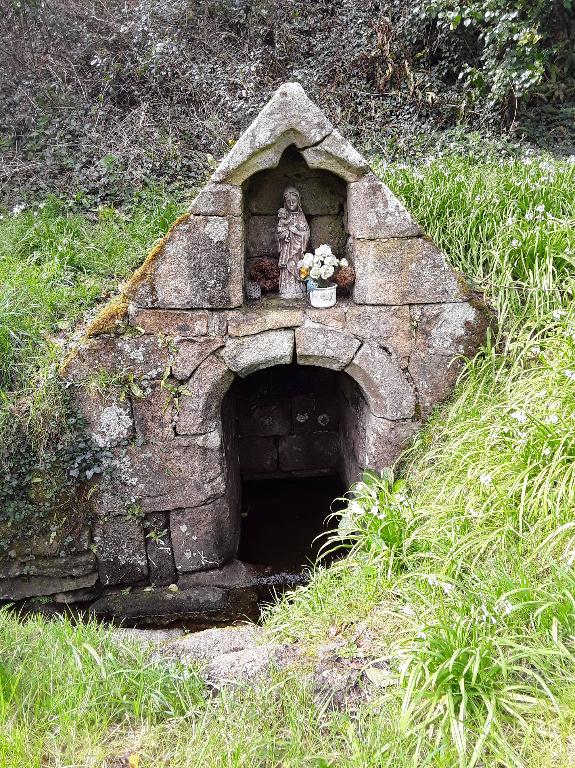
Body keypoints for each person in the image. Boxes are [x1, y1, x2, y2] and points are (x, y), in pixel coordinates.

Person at [276, 186, 309, 298]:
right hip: (286, 249)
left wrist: (297, 232)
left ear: (298, 201)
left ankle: (298, 287)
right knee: (287, 266)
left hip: (297, 251)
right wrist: (285, 235)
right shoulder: (283, 216)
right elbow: (278, 233)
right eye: (288, 201)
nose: (291, 204)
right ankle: (286, 288)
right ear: (285, 203)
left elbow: (306, 233)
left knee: (297, 266)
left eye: (293, 201)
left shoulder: (301, 216)